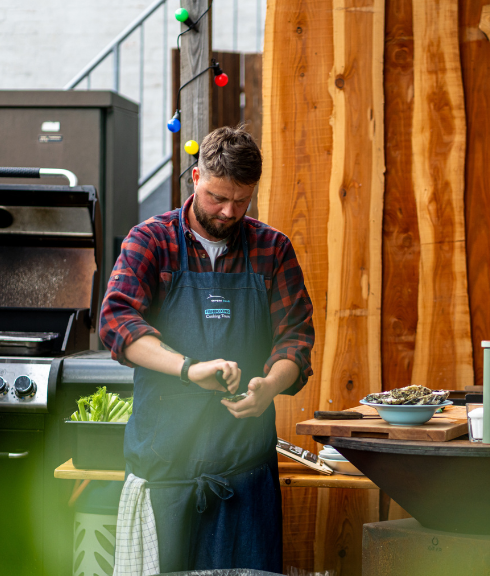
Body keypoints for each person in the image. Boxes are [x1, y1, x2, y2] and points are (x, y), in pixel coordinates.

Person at [99, 125, 315, 573]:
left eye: (242, 200)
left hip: (245, 472)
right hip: (165, 468)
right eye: (218, 197)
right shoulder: (151, 241)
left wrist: (269, 386)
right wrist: (188, 369)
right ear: (196, 177)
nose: (229, 211)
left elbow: (296, 337)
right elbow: (116, 321)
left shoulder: (273, 249)